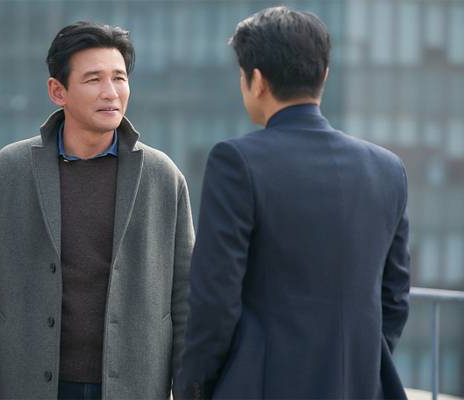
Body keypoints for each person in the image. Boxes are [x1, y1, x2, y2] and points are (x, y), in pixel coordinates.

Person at [176, 7, 410, 400]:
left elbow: (215, 300)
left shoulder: (236, 162)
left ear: (257, 81)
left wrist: (194, 387)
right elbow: (395, 297)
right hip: (359, 385)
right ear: (324, 75)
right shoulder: (387, 168)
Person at [0, 21, 194, 400]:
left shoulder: (162, 176)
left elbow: (186, 301)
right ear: (57, 91)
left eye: (119, 78)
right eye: (94, 79)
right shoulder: (10, 170)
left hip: (134, 387)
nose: (111, 92)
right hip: (31, 387)